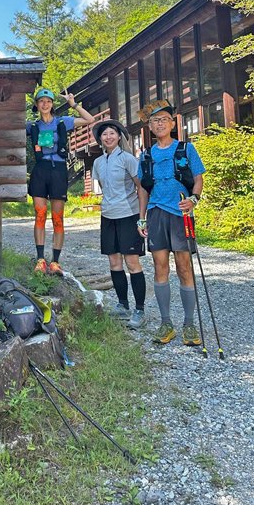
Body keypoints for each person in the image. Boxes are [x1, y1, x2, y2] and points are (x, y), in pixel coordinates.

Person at [136, 100, 205, 346]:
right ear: (151, 128)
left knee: (184, 266)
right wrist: (141, 218)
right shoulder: (145, 155)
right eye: (155, 121)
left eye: (164, 119)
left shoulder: (186, 149)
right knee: (159, 266)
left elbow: (198, 178)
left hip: (180, 212)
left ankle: (189, 324)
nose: (160, 124)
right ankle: (166, 323)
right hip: (155, 213)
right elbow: (143, 190)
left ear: (172, 123)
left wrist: (193, 200)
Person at [26, 87, 94, 275]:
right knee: (40, 213)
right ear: (36, 105)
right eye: (41, 101)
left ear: (52, 104)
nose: (45, 104)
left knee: (58, 217)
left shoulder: (63, 122)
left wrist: (74, 104)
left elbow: (90, 120)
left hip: (58, 170)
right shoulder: (32, 126)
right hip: (41, 170)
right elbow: (9, 127)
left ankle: (55, 261)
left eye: (48, 101)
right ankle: (40, 259)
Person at [91, 119, 147, 329]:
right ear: (100, 139)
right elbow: (105, 189)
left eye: (112, 133)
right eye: (104, 134)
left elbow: (141, 188)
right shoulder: (98, 162)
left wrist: (142, 217)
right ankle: (123, 304)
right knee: (114, 262)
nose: (108, 137)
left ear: (119, 136)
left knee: (132, 263)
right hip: (108, 216)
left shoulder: (128, 159)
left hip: (129, 215)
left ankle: (139, 309)